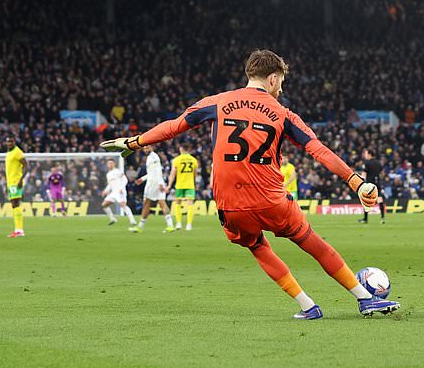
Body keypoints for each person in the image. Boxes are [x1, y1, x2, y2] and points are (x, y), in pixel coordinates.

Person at [102, 49, 398, 319]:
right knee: (313, 243)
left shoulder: (216, 103)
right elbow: (317, 149)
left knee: (258, 247)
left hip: (230, 206)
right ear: (272, 78)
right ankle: (364, 298)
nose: (281, 89)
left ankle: (307, 305)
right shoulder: (283, 114)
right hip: (273, 201)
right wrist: (356, 182)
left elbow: (174, 126)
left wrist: (134, 141)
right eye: (280, 82)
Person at [131, 150, 172, 233]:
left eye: (147, 146)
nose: (145, 149)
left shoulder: (153, 157)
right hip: (157, 182)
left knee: (146, 203)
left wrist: (160, 183)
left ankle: (140, 226)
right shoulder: (151, 156)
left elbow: (158, 170)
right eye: (145, 147)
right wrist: (143, 179)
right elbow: (152, 172)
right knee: (162, 203)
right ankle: (170, 225)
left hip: (153, 184)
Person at [166, 144, 199, 231]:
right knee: (190, 204)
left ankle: (178, 223)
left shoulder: (176, 160)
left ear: (181, 149)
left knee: (177, 203)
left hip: (180, 184)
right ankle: (189, 225)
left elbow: (173, 173)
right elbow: (195, 174)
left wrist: (169, 185)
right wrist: (194, 183)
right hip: (190, 185)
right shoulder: (194, 160)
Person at [101, 159, 136, 227]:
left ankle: (132, 220)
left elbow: (125, 180)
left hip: (120, 192)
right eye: (109, 163)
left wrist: (121, 188)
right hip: (113, 193)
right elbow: (110, 184)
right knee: (104, 205)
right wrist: (106, 190)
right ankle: (113, 219)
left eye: (111, 163)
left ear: (114, 164)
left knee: (123, 205)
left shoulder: (118, 171)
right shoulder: (108, 174)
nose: (110, 165)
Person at [4, 137, 26, 237]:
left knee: (15, 203)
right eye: (8, 141)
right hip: (10, 182)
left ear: (15, 142)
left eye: (11, 141)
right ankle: (18, 229)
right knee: (14, 204)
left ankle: (19, 230)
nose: (9, 143)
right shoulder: (9, 152)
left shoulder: (17, 152)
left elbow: (26, 165)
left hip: (16, 182)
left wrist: (21, 179)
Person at [358, 149, 385, 224]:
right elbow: (382, 173)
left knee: (365, 200)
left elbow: (364, 174)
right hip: (377, 183)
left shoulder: (367, 163)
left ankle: (365, 219)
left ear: (370, 154)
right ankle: (382, 218)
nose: (365, 155)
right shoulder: (378, 163)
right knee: (380, 199)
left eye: (366, 154)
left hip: (369, 184)